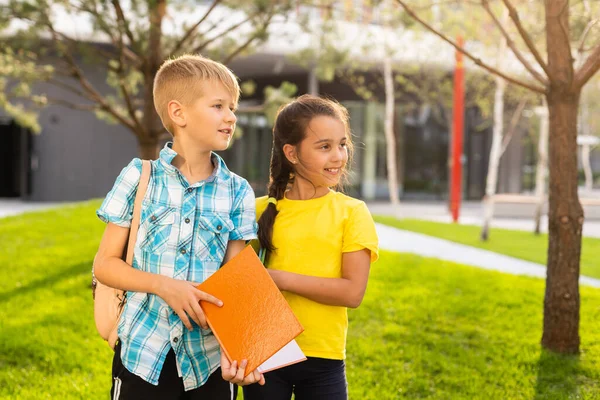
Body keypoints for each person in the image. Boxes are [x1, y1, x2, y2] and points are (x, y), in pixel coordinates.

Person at [93, 54, 264, 400]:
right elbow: (105, 264)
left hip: (210, 363)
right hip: (143, 352)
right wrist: (164, 286)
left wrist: (243, 353)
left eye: (232, 107)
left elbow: (236, 281)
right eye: (218, 106)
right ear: (178, 113)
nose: (231, 116)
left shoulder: (238, 190)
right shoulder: (140, 176)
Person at [243, 95, 379, 400]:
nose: (339, 156)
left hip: (324, 360)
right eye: (324, 147)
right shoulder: (257, 211)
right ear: (291, 152)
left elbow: (352, 292)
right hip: (265, 355)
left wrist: (279, 279)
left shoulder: (352, 212)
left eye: (342, 144)